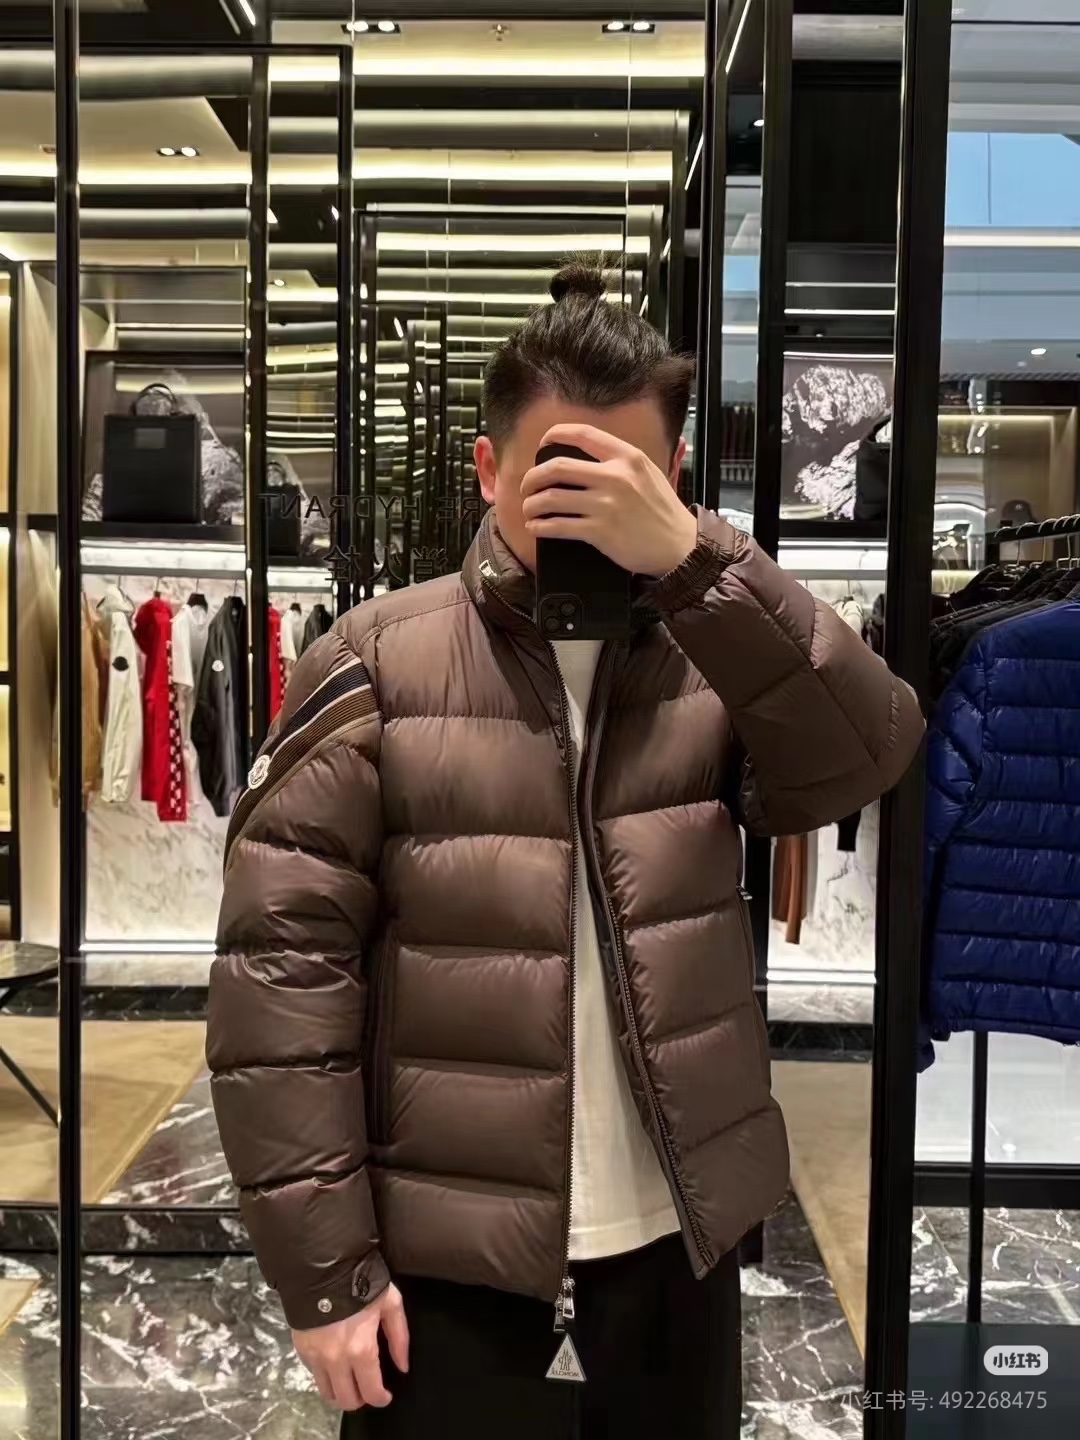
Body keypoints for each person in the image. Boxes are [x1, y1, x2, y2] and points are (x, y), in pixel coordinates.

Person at [207, 262, 924, 1438]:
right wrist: (324, 1270)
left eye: (622, 475)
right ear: (488, 469)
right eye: (556, 470)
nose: (586, 505)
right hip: (443, 1252)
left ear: (673, 474)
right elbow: (282, 978)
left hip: (676, 1236)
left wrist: (696, 559)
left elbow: (865, 753)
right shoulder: (373, 660)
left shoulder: (717, 654)